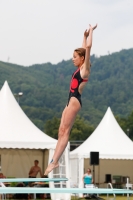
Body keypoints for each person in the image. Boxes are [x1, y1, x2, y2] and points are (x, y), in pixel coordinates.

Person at [44, 23, 97, 175]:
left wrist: (91, 33)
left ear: (82, 59)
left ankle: (53, 162)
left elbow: (87, 49)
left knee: (65, 131)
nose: (73, 59)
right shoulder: (79, 68)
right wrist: (84, 36)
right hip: (70, 99)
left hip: (74, 101)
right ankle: (54, 161)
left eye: (75, 57)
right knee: (61, 131)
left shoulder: (85, 70)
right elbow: (83, 48)